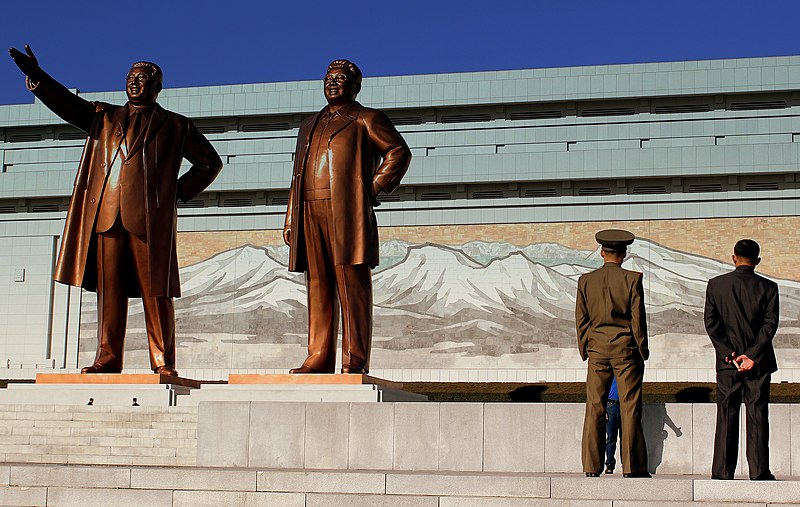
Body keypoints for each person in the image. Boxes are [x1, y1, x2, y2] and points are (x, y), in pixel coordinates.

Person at [8, 45, 223, 376]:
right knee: (110, 293)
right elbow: (67, 105)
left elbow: (210, 163)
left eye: (143, 78)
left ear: (157, 87)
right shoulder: (104, 117)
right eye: (131, 78)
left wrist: (175, 193)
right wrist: (38, 77)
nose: (135, 83)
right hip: (107, 216)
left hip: (149, 221)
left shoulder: (177, 126)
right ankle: (108, 357)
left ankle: (163, 361)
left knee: (157, 291)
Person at [284, 59, 411, 374]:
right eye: (328, 78)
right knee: (317, 283)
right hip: (309, 209)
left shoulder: (366, 119)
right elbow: (297, 174)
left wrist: (372, 189)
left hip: (346, 210)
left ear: (356, 86)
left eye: (340, 79)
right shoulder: (308, 125)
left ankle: (354, 358)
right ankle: (318, 356)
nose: (332, 83)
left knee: (351, 284)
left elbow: (397, 152)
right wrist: (290, 217)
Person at [576, 229, 650, 478]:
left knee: (594, 407)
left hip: (597, 349)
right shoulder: (632, 279)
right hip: (625, 350)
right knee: (629, 407)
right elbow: (637, 319)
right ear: (624, 254)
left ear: (602, 253)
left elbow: (581, 319)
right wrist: (643, 349)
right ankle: (632, 466)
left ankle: (590, 466)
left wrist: (584, 346)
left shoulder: (586, 280)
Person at [704, 239, 779, 481]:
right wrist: (753, 356)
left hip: (728, 364)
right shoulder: (769, 287)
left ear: (733, 257)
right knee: (757, 415)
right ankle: (759, 471)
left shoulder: (716, 285)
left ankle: (723, 472)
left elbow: (711, 323)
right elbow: (769, 326)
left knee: (726, 414)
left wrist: (730, 354)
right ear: (757, 260)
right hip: (758, 364)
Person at [605, 376, 621, 474]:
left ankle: (626, 464)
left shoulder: (624, 372)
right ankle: (610, 464)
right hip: (611, 405)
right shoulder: (610, 375)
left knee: (625, 437)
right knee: (611, 438)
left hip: (623, 405)